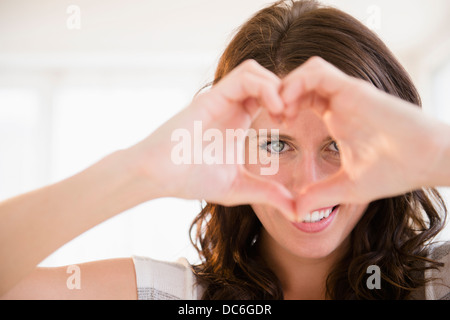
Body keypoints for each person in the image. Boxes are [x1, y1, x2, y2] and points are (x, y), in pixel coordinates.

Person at [1, 0, 450, 300]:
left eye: (337, 144)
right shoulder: (177, 296)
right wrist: (141, 172)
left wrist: (436, 154)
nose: (308, 183)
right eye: (276, 144)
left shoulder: (438, 284)